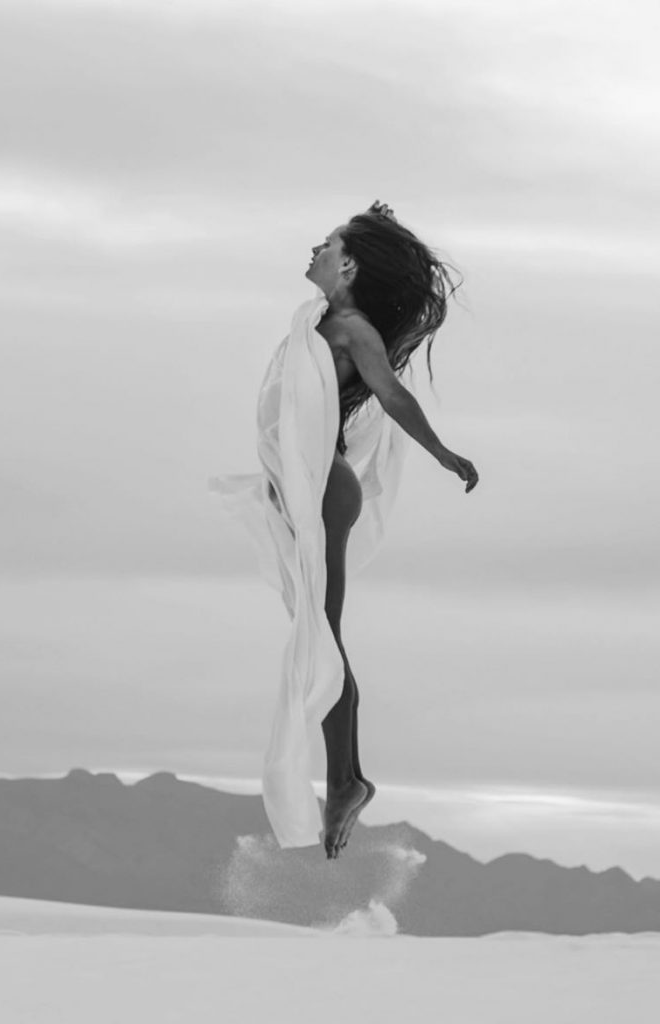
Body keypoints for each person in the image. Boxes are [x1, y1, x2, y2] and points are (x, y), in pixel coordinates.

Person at [309, 201, 478, 858]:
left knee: (321, 639)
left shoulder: (350, 327)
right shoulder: (322, 322)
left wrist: (444, 454)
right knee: (314, 639)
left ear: (347, 264)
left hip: (327, 490)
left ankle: (346, 781)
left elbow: (392, 395)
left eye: (327, 243)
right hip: (309, 490)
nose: (315, 249)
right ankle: (344, 779)